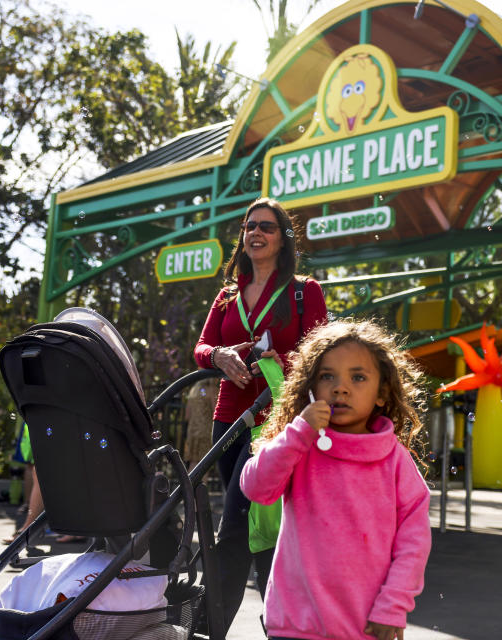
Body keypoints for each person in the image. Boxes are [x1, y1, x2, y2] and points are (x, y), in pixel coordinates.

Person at [240, 320, 430, 640]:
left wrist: (394, 605)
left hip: (368, 625)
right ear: (310, 387)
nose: (341, 387)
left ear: (382, 393)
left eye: (358, 377)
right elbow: (256, 487)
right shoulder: (300, 444)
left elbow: (414, 544)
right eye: (328, 376)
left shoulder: (395, 459)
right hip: (296, 626)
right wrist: (298, 432)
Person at [194, 197, 327, 631]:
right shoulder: (227, 293)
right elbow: (200, 348)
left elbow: (320, 356)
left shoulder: (305, 291)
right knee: (261, 534)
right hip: (227, 422)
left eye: (268, 227)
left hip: (276, 423)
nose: (256, 233)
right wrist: (218, 355)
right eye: (250, 226)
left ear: (283, 237)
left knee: (235, 530)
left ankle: (204, 629)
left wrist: (276, 357)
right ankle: (283, 625)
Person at [181, 377, 219, 471]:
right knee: (204, 464)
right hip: (206, 430)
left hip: (192, 431)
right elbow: (216, 411)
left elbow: (187, 415)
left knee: (193, 462)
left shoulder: (194, 391)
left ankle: (190, 485)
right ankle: (201, 485)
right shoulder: (212, 390)